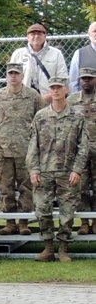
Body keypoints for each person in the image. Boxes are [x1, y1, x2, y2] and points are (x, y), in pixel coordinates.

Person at [27, 76, 88, 262]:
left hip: (67, 173)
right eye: (53, 87)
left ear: (66, 90)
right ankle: (48, 248)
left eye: (59, 87)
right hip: (44, 171)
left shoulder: (77, 116)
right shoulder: (41, 116)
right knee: (42, 210)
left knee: (67, 212)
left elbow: (83, 146)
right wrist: (33, 170)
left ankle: (63, 248)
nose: (56, 90)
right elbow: (33, 146)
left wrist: (77, 170)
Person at [0, 62, 44, 235]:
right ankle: (10, 222)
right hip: (3, 151)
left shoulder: (33, 96)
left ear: (21, 75)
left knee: (26, 188)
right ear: (6, 76)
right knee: (6, 188)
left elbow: (41, 120)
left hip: (26, 151)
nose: (13, 76)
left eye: (16, 73)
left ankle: (24, 222)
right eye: (10, 73)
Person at [67, 68, 96, 235]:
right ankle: (84, 222)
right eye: (83, 78)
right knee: (81, 187)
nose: (86, 81)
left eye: (90, 78)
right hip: (80, 151)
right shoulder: (71, 100)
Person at [9, 23, 67, 103]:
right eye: (33, 34)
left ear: (45, 36)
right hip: (23, 100)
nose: (36, 36)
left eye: (39, 34)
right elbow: (10, 78)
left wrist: (51, 95)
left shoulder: (56, 53)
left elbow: (62, 78)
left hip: (49, 99)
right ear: (27, 37)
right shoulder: (18, 54)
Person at [67, 21, 96, 92]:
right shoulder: (79, 54)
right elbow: (73, 82)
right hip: (87, 101)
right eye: (94, 31)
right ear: (89, 35)